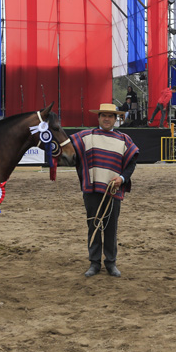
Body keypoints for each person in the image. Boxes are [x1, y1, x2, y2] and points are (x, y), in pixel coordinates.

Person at [70, 103, 139, 278]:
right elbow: (68, 149)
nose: (107, 119)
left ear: (116, 119)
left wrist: (122, 178)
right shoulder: (87, 136)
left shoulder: (124, 139)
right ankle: (94, 263)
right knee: (93, 226)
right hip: (92, 189)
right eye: (104, 115)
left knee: (110, 227)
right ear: (98, 117)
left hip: (113, 190)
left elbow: (131, 163)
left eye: (110, 116)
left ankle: (110, 262)